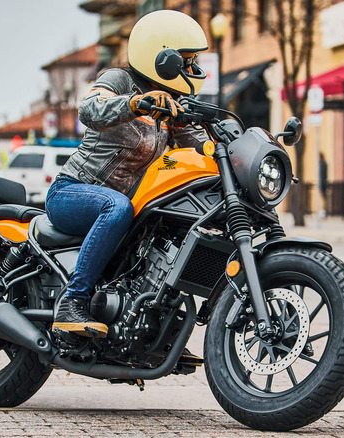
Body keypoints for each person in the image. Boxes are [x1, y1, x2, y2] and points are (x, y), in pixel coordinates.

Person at [47, 10, 211, 337]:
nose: (192, 70)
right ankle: (72, 301)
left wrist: (234, 147)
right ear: (161, 57)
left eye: (194, 62)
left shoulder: (171, 104)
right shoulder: (118, 80)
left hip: (121, 203)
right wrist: (136, 104)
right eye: (186, 61)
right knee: (117, 207)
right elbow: (90, 110)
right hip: (71, 193)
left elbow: (199, 143)